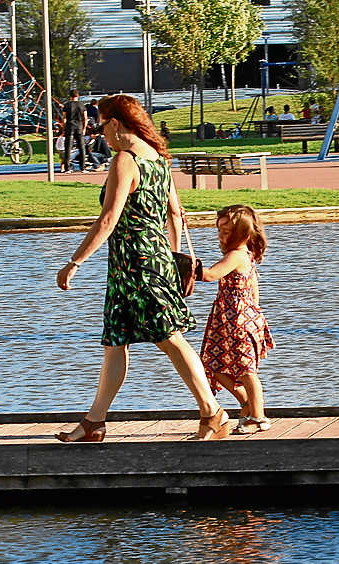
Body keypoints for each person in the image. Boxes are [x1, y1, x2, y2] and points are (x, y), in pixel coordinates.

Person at [54, 94, 230, 443]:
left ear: (116, 123)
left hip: (137, 265)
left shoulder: (126, 160)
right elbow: (175, 214)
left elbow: (108, 219)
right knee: (115, 342)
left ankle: (213, 413)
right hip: (144, 263)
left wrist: (74, 262)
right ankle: (94, 422)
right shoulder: (159, 160)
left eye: (101, 125)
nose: (100, 132)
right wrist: (174, 259)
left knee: (169, 338)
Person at [199, 205, 275, 435]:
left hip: (240, 322)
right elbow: (254, 290)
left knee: (246, 370)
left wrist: (186, 266)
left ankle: (258, 417)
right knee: (212, 365)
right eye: (219, 230)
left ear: (242, 234)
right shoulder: (243, 256)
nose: (220, 236)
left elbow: (210, 275)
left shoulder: (237, 256)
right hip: (224, 321)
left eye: (226, 231)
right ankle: (246, 404)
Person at [61, 89, 88, 173]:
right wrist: (84, 128)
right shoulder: (82, 105)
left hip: (70, 126)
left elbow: (64, 118)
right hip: (79, 126)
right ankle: (82, 167)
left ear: (70, 96)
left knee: (68, 148)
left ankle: (67, 168)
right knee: (81, 147)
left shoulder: (67, 105)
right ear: (78, 96)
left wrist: (64, 128)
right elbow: (85, 118)